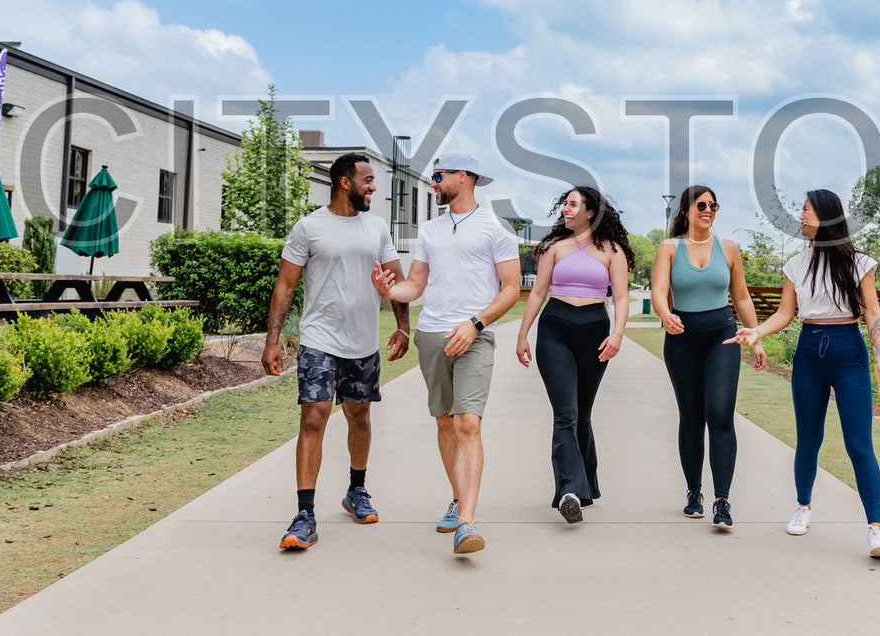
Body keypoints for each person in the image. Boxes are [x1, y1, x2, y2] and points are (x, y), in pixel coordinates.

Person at [728, 188, 880, 557]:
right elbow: (786, 314)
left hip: (848, 351)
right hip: (809, 351)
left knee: (859, 443)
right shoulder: (796, 265)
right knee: (808, 438)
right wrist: (757, 331)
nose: (800, 217)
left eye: (805, 211)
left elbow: (872, 313)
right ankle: (802, 507)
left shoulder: (859, 263)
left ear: (826, 216)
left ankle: (876, 529)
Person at [372, 151, 520, 555]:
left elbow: (510, 289)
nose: (433, 183)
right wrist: (388, 291)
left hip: (474, 335)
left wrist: (476, 324)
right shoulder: (430, 231)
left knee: (468, 423)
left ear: (463, 176)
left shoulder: (496, 228)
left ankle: (467, 524)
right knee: (444, 424)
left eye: (438, 176)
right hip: (432, 335)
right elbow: (414, 286)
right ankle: (457, 500)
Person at [263, 152, 410, 551]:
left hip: (361, 342)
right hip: (319, 339)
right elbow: (285, 286)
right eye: (367, 180)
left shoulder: (377, 227)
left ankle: (355, 491)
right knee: (314, 415)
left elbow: (395, 279)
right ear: (345, 182)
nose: (373, 187)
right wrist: (273, 340)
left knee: (358, 415)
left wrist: (403, 327)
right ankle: (304, 514)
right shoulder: (309, 227)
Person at [515, 186, 635, 524]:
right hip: (556, 329)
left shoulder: (612, 251)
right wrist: (523, 335)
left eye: (572, 204)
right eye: (565, 204)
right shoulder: (554, 248)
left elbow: (622, 298)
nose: (565, 210)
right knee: (565, 413)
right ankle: (569, 490)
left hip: (596, 330)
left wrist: (617, 334)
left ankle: (586, 483)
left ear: (590, 211)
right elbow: (538, 292)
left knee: (582, 413)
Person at [649, 184, 765, 531]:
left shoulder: (728, 248)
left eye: (714, 205)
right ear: (686, 210)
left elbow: (741, 297)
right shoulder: (670, 248)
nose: (709, 210)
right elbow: (657, 290)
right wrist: (665, 315)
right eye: (702, 204)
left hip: (722, 337)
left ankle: (722, 500)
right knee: (692, 417)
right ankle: (694, 493)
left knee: (720, 414)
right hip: (682, 339)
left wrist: (756, 336)